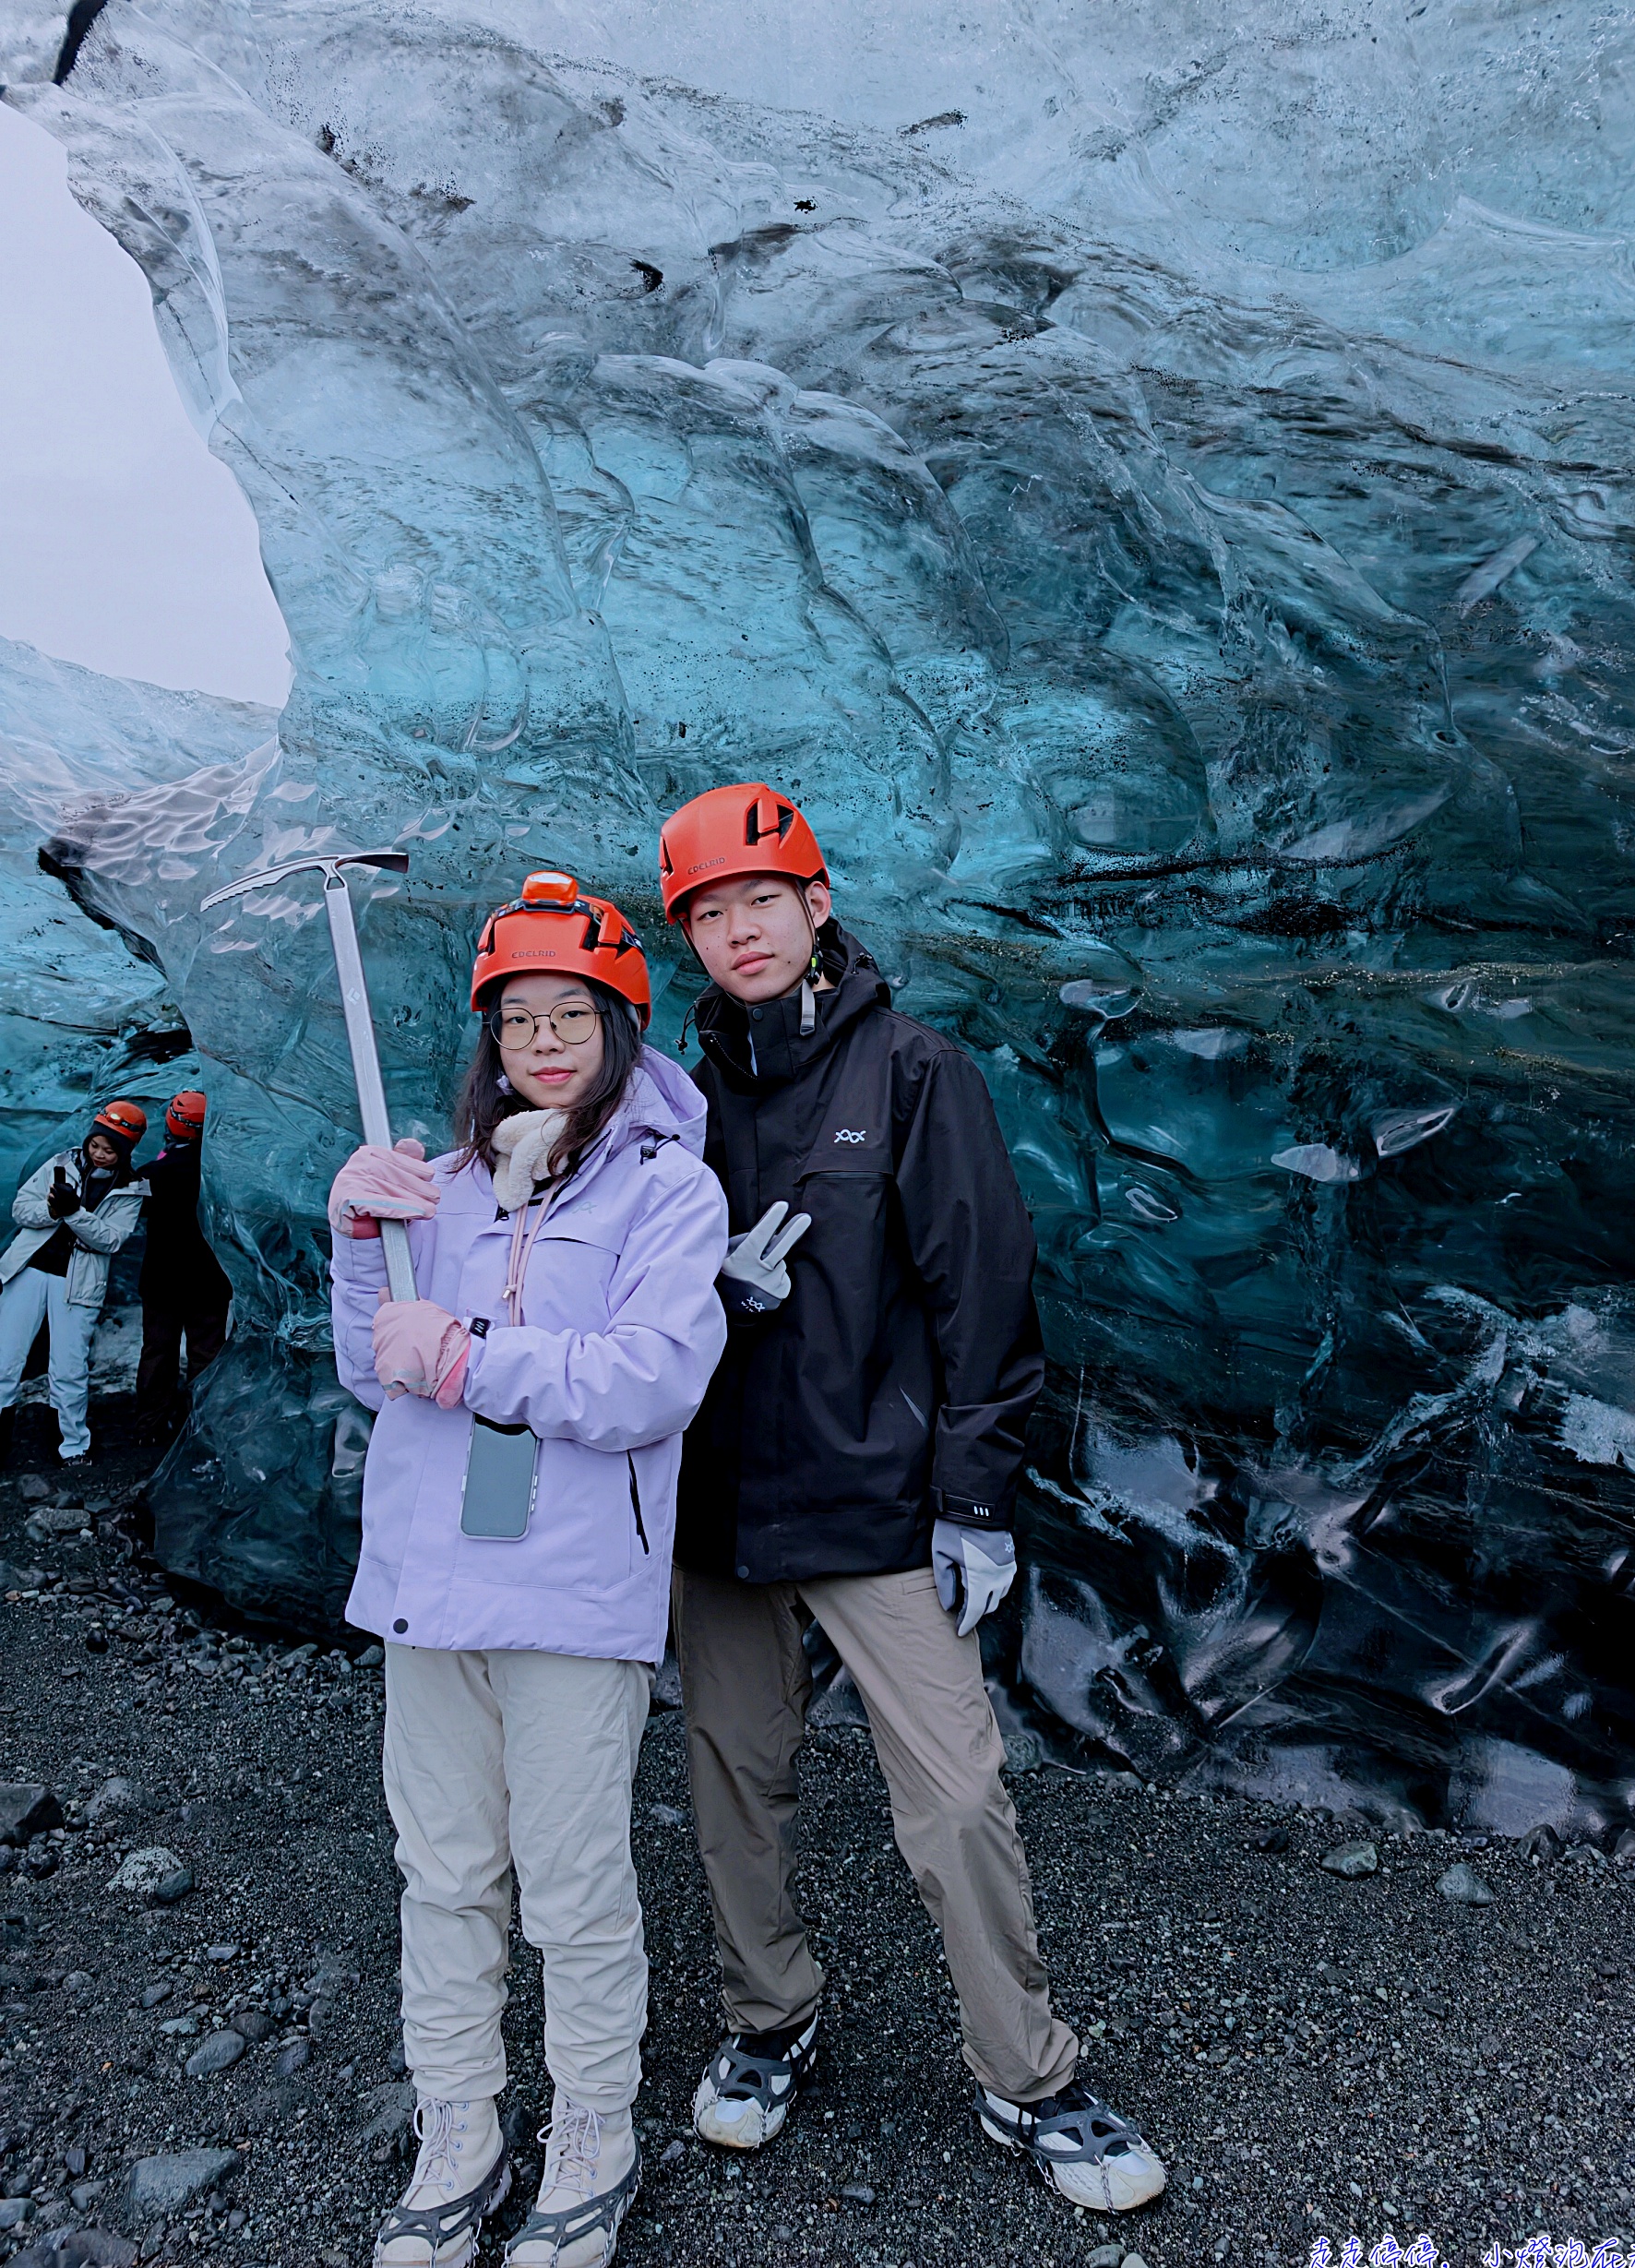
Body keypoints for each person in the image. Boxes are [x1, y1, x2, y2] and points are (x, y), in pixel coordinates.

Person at [657, 784, 1166, 2215]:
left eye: (761, 898)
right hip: (719, 1510)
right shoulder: (675, 1101)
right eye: (707, 911)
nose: (737, 928)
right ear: (688, 937)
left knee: (953, 1792)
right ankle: (769, 2021)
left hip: (876, 1503)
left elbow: (981, 1289)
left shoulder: (912, 1069)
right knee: (731, 1780)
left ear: (815, 905)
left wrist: (974, 1499)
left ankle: (1028, 2070)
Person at [328, 872, 728, 2268]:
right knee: (439, 1872)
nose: (543, 1040)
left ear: (621, 1025)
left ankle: (593, 2130)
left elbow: (650, 1379)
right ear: (488, 1037)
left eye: (573, 1013)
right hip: (433, 1579)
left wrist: (469, 1356)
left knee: (570, 1883)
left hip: (569, 1589)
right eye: (518, 1017)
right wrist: (356, 1239)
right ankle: (459, 2123)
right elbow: (370, 1363)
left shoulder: (670, 1189)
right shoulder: (434, 1186)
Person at [0, 1101, 148, 1468]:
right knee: (4, 1360)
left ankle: (73, 1446)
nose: (99, 1154)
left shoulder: (132, 1189)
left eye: (109, 1150)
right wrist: (51, 1211)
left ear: (125, 1150)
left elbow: (112, 1240)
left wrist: (73, 1213)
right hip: (29, 1271)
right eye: (95, 1145)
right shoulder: (61, 1163)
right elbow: (21, 1209)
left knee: (68, 1368)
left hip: (79, 1282)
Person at [134, 1090, 233, 1443]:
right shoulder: (222, 1172)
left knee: (157, 1354)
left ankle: (150, 1427)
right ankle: (201, 1429)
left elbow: (136, 1207)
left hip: (162, 1280)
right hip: (209, 1281)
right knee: (205, 1354)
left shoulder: (155, 1172)